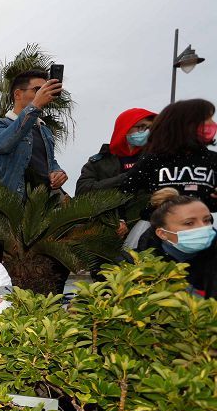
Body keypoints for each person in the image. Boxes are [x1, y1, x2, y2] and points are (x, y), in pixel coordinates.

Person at [123, 99, 217, 251]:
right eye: (205, 119)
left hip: (200, 235)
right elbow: (124, 193)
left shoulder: (212, 160)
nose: (211, 124)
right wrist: (121, 220)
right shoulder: (153, 158)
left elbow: (210, 203)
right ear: (183, 124)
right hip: (156, 235)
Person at [75, 108, 157, 238]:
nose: (146, 132)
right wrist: (127, 177)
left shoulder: (157, 158)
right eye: (141, 127)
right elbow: (82, 191)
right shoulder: (98, 162)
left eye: (150, 128)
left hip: (151, 231)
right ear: (124, 128)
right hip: (106, 234)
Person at [0, 69, 67, 198]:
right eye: (37, 90)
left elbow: (48, 162)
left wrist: (57, 172)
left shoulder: (44, 130)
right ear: (17, 94)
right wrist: (35, 106)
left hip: (44, 203)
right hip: (13, 205)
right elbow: (2, 145)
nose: (43, 93)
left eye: (45, 88)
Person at [137, 188, 216, 297]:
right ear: (162, 233)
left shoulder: (211, 258)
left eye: (206, 220)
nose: (202, 228)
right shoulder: (133, 266)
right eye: (189, 223)